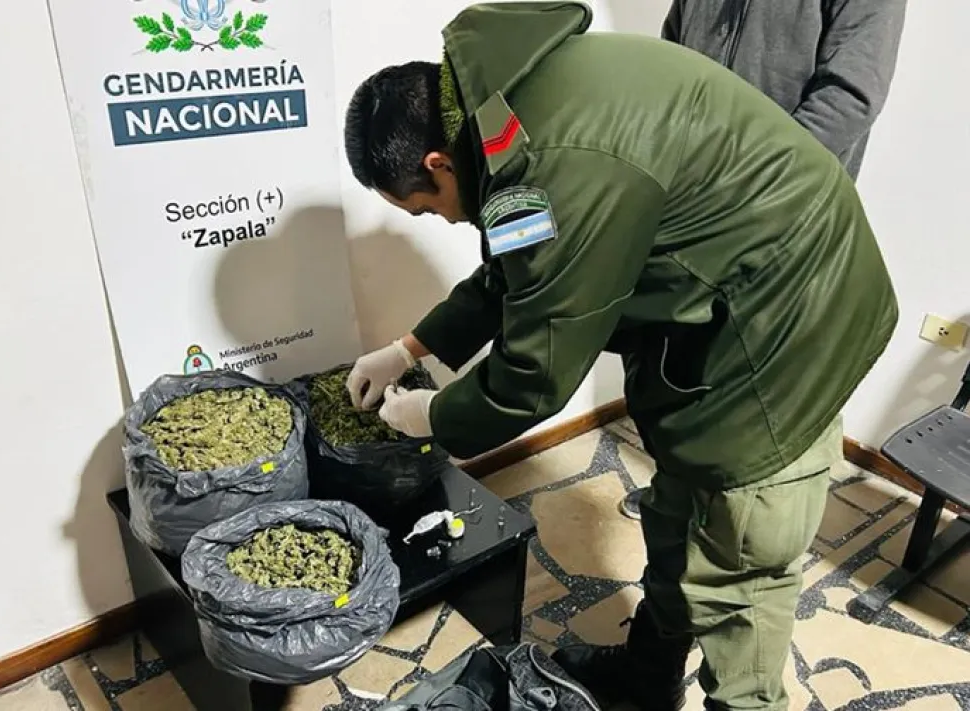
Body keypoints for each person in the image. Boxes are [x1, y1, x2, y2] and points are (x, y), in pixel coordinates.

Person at [342, 3, 898, 709]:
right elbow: (515, 267)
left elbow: (534, 376)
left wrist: (435, 416)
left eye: (428, 208)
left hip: (791, 328)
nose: (446, 219)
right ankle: (649, 674)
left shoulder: (556, 161)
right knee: (676, 509)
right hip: (726, 302)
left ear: (436, 162)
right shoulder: (507, 107)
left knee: (741, 567)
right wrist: (408, 348)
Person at [616, 0, 907, 521]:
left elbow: (849, 97)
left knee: (754, 397)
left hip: (783, 224)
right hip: (693, 211)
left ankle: (736, 529)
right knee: (678, 374)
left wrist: (742, 192)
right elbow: (671, 64)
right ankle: (674, 498)